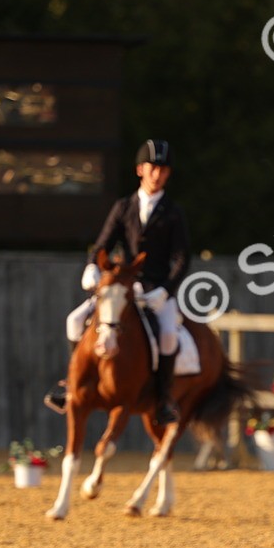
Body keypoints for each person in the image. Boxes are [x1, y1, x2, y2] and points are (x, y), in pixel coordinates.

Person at [44, 139, 190, 424]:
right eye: (153, 168)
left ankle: (163, 399)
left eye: (163, 170)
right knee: (74, 321)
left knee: (169, 336)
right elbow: (102, 245)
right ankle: (72, 384)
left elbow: (183, 259)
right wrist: (91, 267)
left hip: (156, 290)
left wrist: (165, 291)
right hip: (120, 287)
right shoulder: (124, 207)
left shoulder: (174, 213)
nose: (157, 175)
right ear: (140, 170)